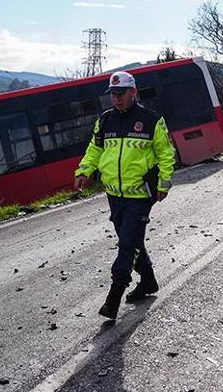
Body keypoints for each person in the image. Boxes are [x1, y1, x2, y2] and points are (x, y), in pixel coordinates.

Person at [74, 70, 176, 321]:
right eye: (113, 94)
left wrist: (164, 183)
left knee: (127, 245)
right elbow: (94, 150)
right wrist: (84, 171)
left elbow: (166, 153)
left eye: (121, 94)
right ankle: (149, 281)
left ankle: (114, 296)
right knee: (132, 241)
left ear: (133, 92)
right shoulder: (106, 120)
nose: (116, 99)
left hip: (141, 195)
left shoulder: (152, 120)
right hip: (114, 194)